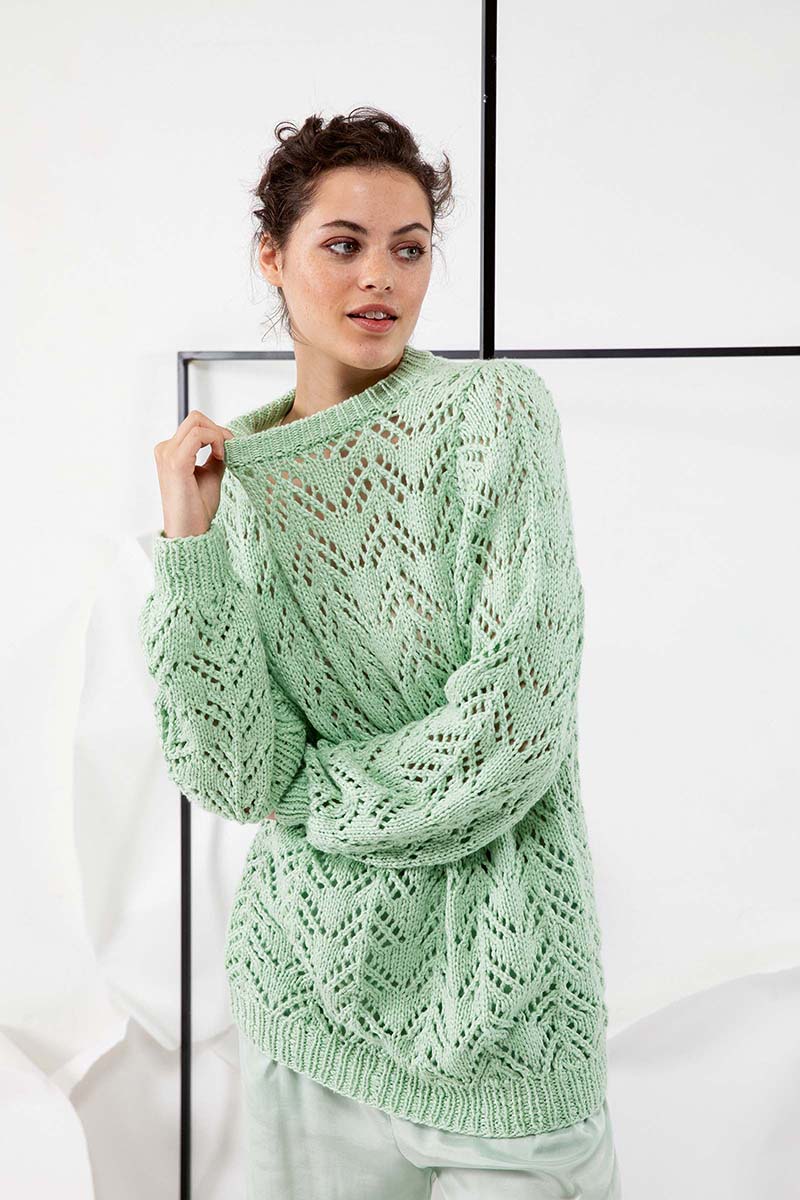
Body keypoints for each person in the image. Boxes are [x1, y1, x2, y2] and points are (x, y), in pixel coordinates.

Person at [138, 106, 623, 1199]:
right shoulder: (233, 484)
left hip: (509, 1022)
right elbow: (234, 777)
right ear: (272, 257)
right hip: (306, 1008)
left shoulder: (493, 414)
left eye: (409, 248)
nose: (381, 278)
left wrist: (313, 796)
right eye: (343, 244)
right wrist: (190, 548)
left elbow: (512, 730)